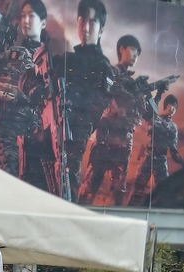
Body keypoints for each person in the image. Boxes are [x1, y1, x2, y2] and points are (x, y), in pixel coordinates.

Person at [0, 0, 51, 180]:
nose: (26, 20)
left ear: (43, 22)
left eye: (31, 16)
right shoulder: (10, 51)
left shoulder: (46, 60)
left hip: (16, 132)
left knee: (7, 181)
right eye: (23, 15)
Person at [80, 35, 147, 205]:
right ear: (121, 49)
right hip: (105, 139)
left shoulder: (134, 84)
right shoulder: (110, 73)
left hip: (123, 142)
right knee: (90, 187)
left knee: (118, 193)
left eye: (138, 52)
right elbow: (108, 93)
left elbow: (143, 111)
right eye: (132, 49)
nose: (135, 55)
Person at [61, 0, 115, 200]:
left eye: (92, 23)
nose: (85, 27)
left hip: (74, 133)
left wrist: (71, 114)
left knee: (67, 183)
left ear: (101, 30)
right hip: (53, 131)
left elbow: (96, 109)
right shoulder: (67, 59)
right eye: (82, 21)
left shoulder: (102, 66)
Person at [129, 94, 184, 205]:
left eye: (176, 107)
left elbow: (173, 150)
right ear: (167, 105)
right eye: (172, 105)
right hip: (148, 157)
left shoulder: (173, 127)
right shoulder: (155, 118)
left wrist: (182, 162)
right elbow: (145, 125)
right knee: (138, 188)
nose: (173, 109)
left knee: (164, 189)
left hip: (161, 160)